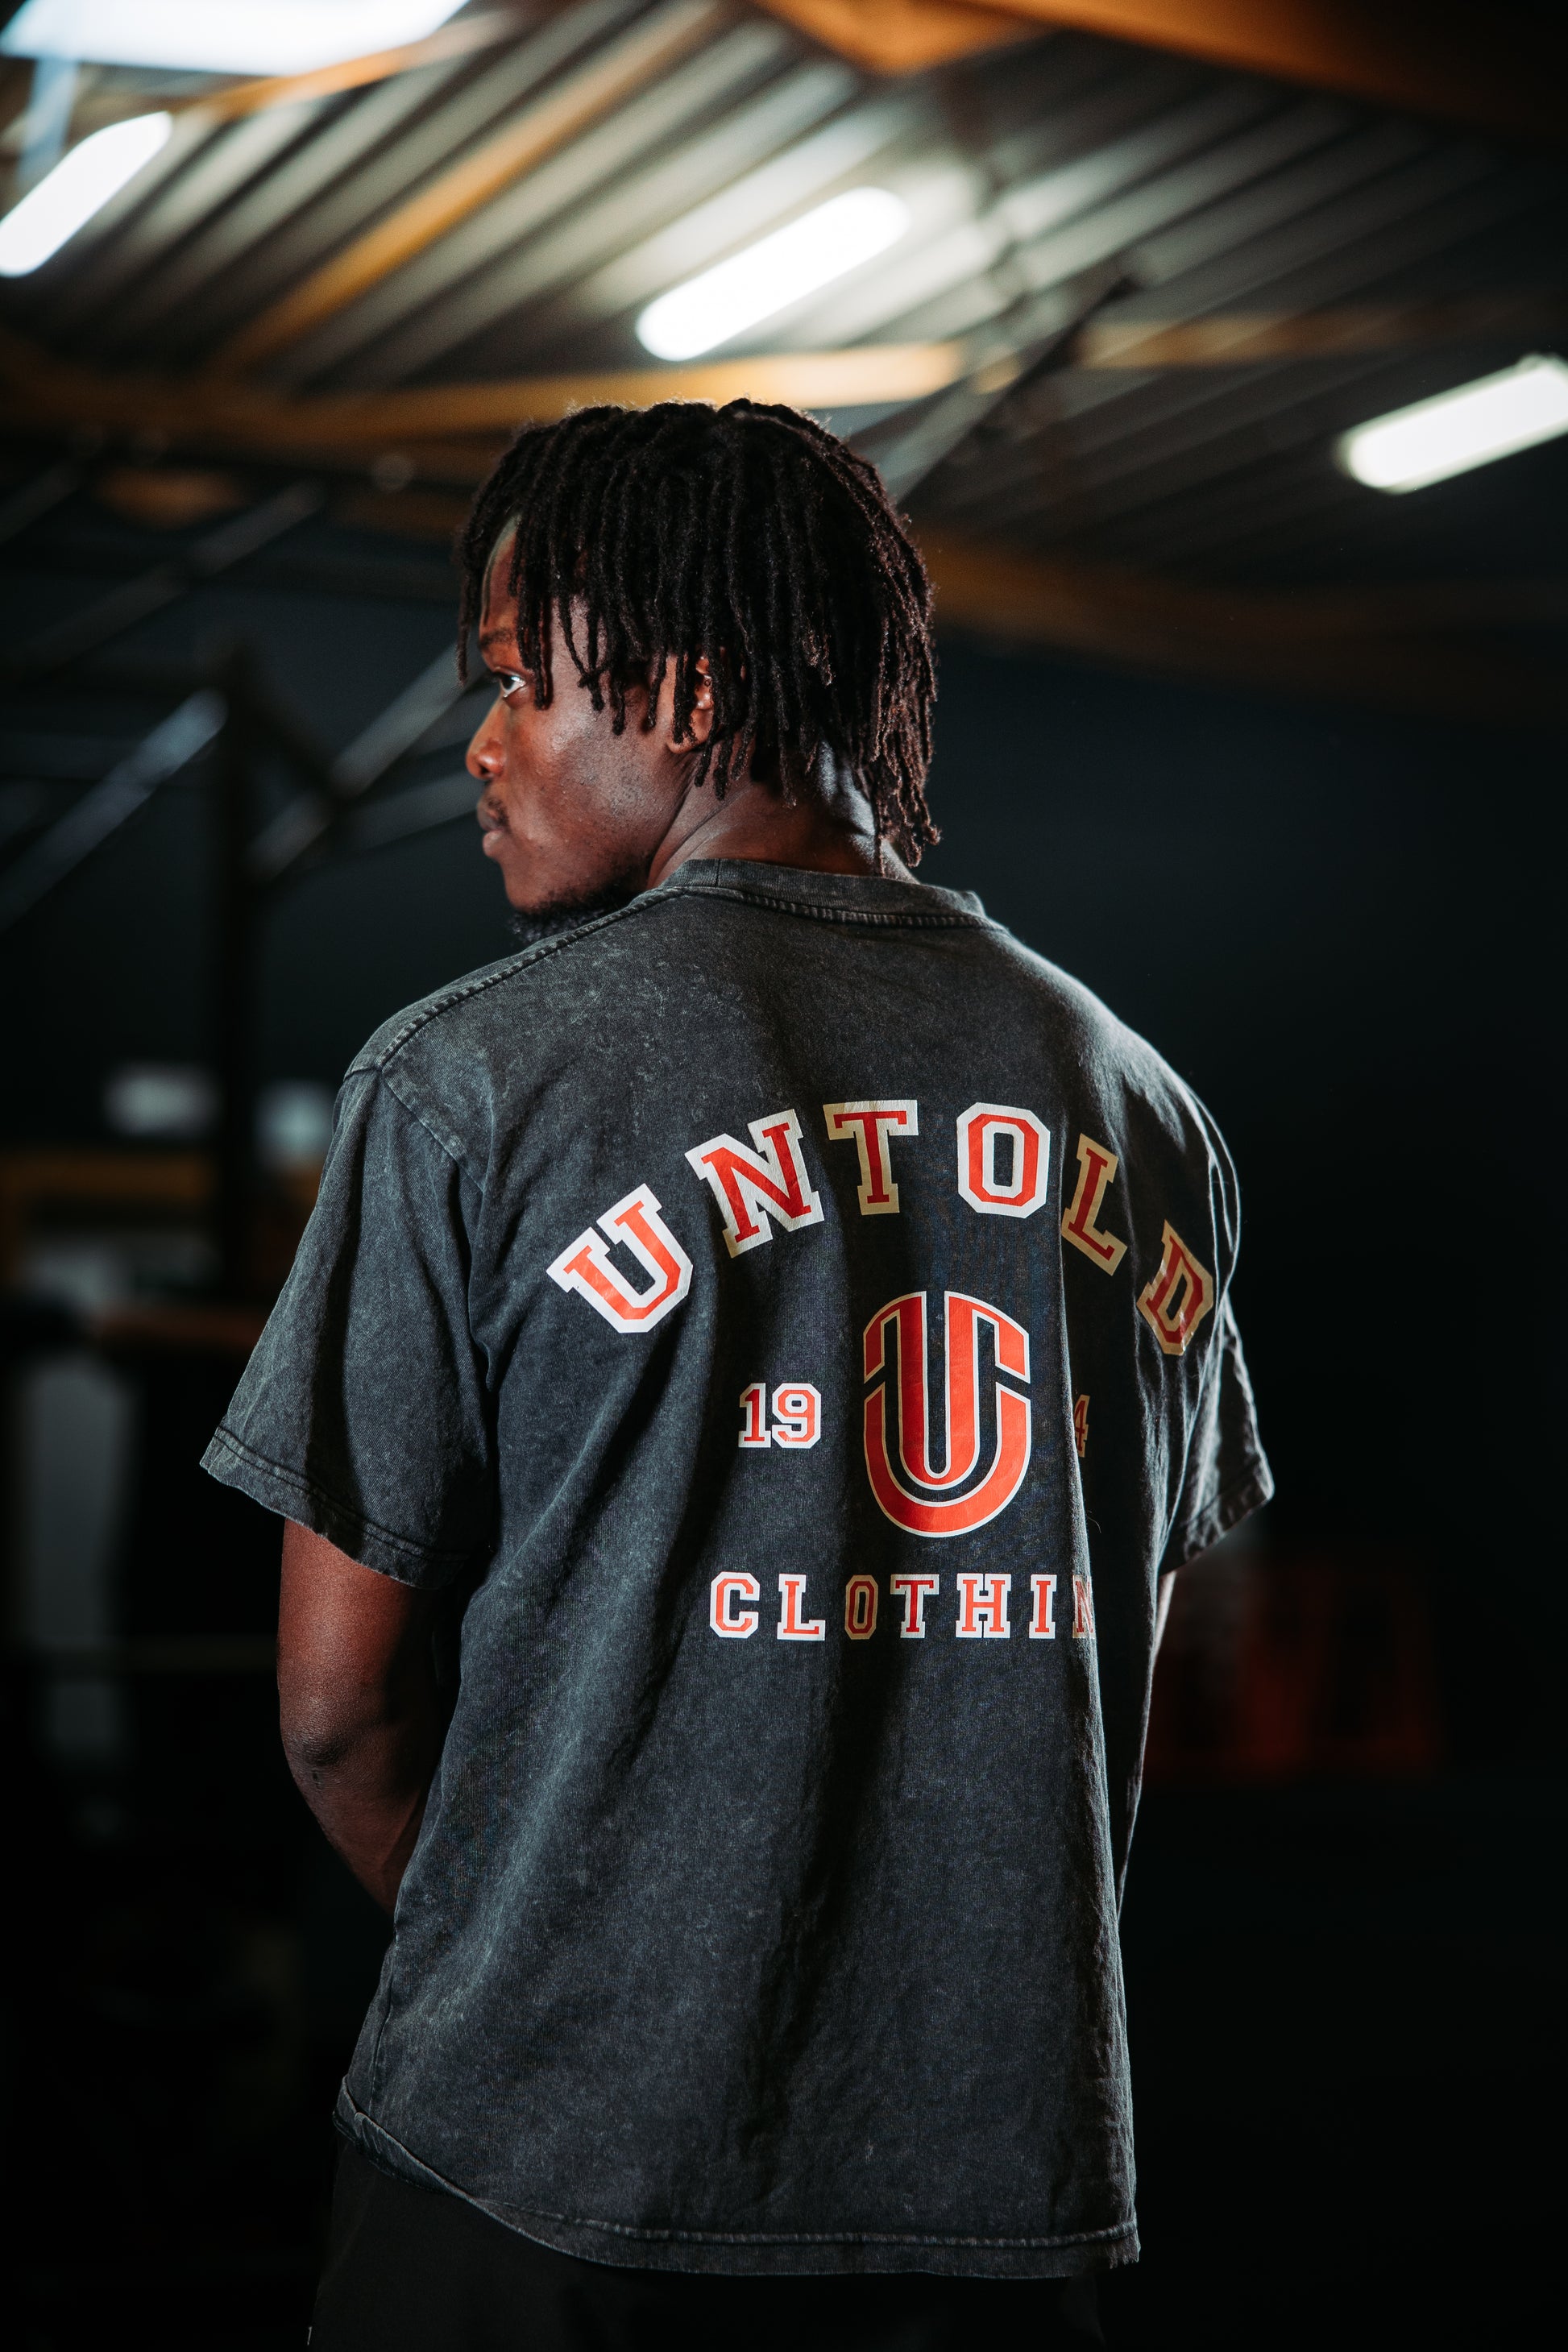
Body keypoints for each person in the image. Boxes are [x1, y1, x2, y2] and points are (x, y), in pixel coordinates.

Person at [203, 400, 1271, 2350]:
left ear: (687, 691)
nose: (482, 746)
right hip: (993, 2206)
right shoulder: (1141, 1107)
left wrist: (553, 1993)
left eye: (517, 682)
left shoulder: (469, 1083)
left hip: (542, 2187)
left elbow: (338, 1711)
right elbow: (1140, 1657)